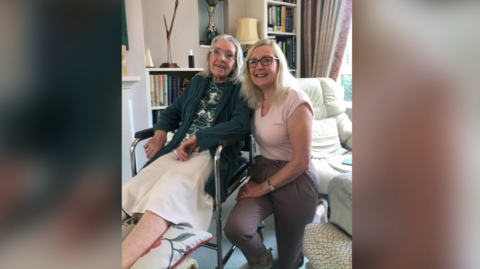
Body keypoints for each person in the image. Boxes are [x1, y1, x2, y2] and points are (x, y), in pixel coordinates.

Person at [121, 34, 251, 269]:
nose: (221, 58)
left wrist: (199, 138)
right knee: (140, 182)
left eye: (229, 55)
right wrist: (161, 130)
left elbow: (240, 125)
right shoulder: (197, 82)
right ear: (209, 56)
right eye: (216, 51)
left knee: (170, 188)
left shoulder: (241, 88)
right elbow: (173, 111)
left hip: (213, 153)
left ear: (236, 62)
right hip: (179, 148)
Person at [224, 39, 319, 269]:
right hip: (264, 170)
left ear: (279, 64)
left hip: (295, 179)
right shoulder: (253, 99)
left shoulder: (295, 100)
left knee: (290, 264)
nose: (259, 67)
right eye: (253, 62)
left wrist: (262, 187)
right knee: (236, 228)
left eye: (266, 60)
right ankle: (263, 259)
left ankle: (318, 210)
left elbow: (301, 162)